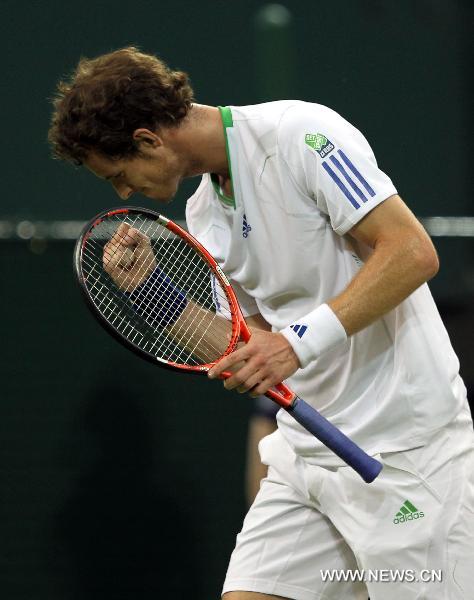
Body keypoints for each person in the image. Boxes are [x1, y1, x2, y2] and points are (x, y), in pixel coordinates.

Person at [49, 47, 474, 600]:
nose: (123, 192)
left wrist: (297, 344)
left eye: (118, 174)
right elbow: (244, 346)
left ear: (148, 140)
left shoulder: (302, 135)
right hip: (306, 462)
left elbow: (413, 252)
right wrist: (150, 289)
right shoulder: (203, 212)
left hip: (406, 456)